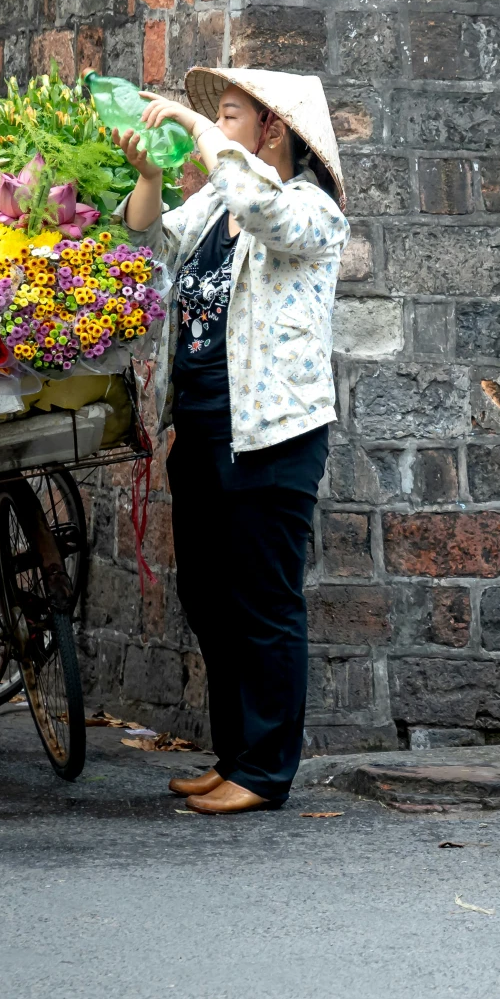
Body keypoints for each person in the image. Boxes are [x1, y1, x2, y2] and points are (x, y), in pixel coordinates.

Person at [117, 68, 349, 816]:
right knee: (209, 596)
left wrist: (194, 126)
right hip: (206, 426)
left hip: (273, 435)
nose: (211, 129)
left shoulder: (310, 211)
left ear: (270, 129)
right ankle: (235, 756)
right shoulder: (216, 203)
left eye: (228, 116)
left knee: (264, 600)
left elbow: (260, 205)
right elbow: (149, 234)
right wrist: (152, 174)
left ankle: (267, 770)